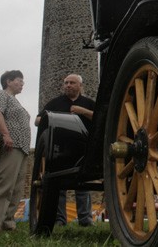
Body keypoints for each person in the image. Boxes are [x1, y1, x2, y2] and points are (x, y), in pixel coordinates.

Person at [35, 74, 95, 226]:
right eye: (66, 82)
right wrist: (51, 118)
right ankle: (60, 219)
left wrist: (83, 111)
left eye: (72, 83)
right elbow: (37, 120)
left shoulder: (88, 103)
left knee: (82, 186)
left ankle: (85, 219)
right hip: (60, 149)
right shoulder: (55, 103)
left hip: (83, 148)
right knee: (59, 186)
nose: (68, 85)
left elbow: (100, 119)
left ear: (80, 86)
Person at [0, 70, 31, 232]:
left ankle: (7, 221)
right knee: (3, 184)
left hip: (22, 148)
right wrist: (6, 134)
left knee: (16, 187)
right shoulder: (0, 95)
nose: (22, 84)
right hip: (9, 145)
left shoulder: (16, 101)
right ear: (8, 81)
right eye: (19, 80)